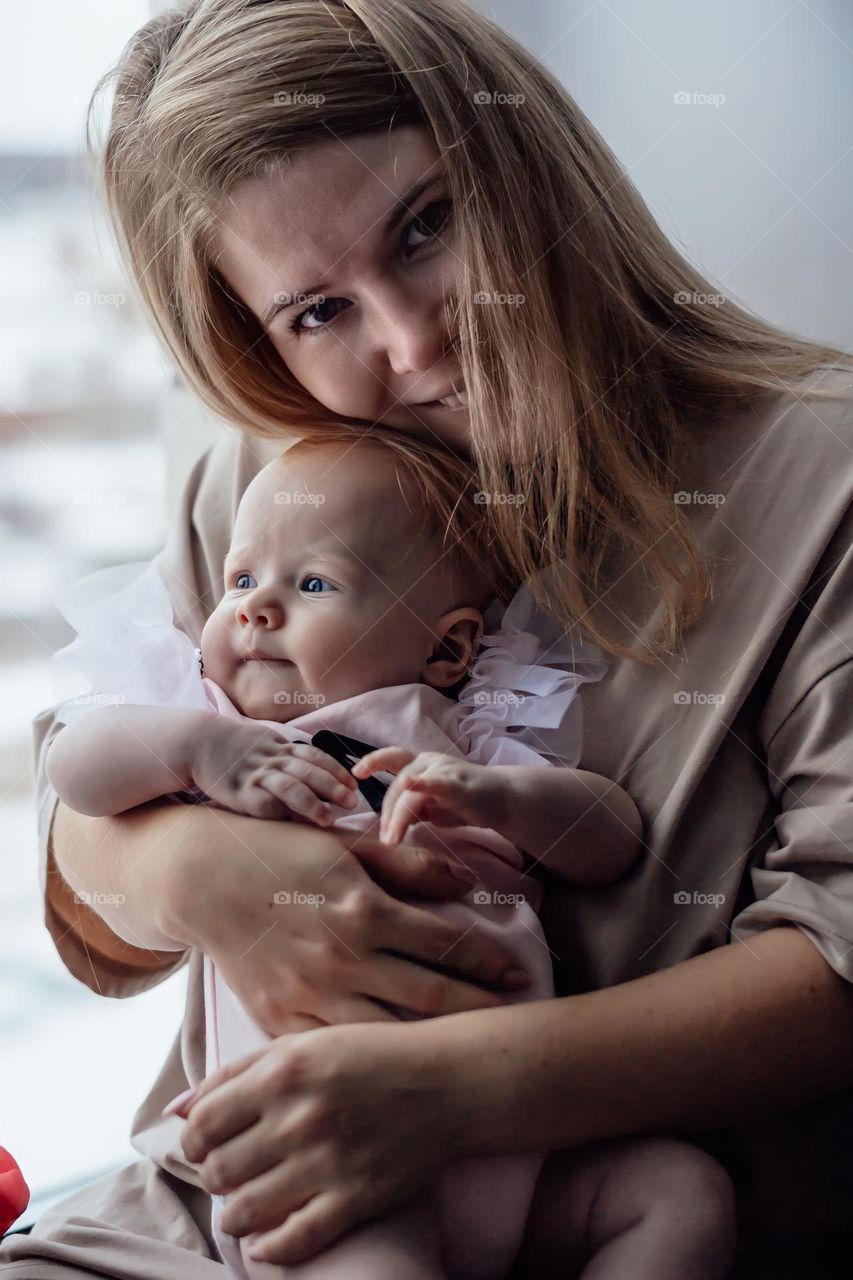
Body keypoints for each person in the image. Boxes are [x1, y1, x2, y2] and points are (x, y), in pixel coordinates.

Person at [3, 1, 853, 1277]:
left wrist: (458, 1088)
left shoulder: (821, 474)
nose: (410, 340)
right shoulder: (275, 482)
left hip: (617, 1215)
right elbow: (92, 891)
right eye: (313, 312)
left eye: (424, 224)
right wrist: (200, 875)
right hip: (234, 1215)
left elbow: (835, 957)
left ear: (530, 164)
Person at [46, 429, 735, 1279]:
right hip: (323, 1158)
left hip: (517, 1138)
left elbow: (611, 840)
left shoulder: (469, 738)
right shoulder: (222, 731)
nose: (256, 607)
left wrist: (503, 797)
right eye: (241, 579)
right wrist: (198, 751)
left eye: (313, 583)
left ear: (446, 649)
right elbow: (73, 770)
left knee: (678, 1192)